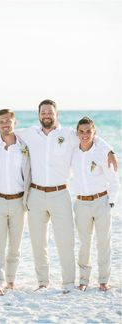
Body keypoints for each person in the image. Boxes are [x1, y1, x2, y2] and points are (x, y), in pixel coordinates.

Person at [14, 99, 117, 293]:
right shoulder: (29, 133)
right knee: (38, 241)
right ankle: (43, 282)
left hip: (60, 193)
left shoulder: (69, 134)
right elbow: (6, 131)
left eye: (50, 112)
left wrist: (110, 150)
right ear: (39, 115)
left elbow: (92, 138)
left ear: (56, 114)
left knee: (66, 241)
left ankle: (68, 282)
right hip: (35, 193)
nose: (46, 115)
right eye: (43, 112)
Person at [0, 109, 31, 296]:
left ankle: (10, 281)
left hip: (19, 201)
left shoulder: (24, 145)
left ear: (15, 123)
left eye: (8, 121)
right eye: (1, 121)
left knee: (15, 246)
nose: (5, 124)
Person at [71, 117, 119, 292]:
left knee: (103, 242)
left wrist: (111, 203)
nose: (85, 135)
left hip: (101, 202)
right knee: (84, 243)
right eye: (81, 132)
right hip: (81, 203)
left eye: (88, 131)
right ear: (77, 133)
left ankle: (103, 280)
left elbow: (114, 181)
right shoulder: (73, 151)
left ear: (94, 133)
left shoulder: (101, 152)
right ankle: (83, 280)